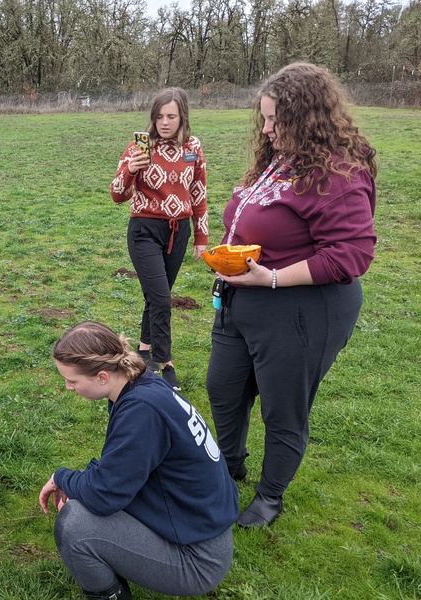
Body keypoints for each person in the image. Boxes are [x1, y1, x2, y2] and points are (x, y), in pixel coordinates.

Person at [206, 62, 377, 528]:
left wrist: (274, 278)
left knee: (284, 408)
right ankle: (229, 465)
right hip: (244, 297)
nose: (266, 128)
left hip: (302, 307)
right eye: (263, 118)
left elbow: (352, 254)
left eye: (274, 119)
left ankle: (270, 496)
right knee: (222, 389)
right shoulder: (281, 158)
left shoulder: (338, 172)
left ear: (307, 118)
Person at [38, 321, 238, 600]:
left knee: (76, 524)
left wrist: (62, 478)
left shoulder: (141, 411)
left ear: (103, 377)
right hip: (198, 528)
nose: (68, 387)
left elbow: (103, 494)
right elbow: (118, 468)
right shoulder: (141, 381)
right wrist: (79, 485)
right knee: (83, 496)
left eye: (72, 380)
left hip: (198, 559)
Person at [110, 87, 208, 391]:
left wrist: (201, 236)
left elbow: (199, 192)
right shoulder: (139, 147)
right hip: (145, 230)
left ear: (182, 117)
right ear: (152, 118)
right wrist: (130, 170)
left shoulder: (193, 147)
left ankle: (142, 352)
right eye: (159, 116)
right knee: (162, 298)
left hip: (178, 233)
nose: (164, 122)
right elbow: (117, 194)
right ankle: (165, 361)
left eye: (171, 116)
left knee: (157, 295)